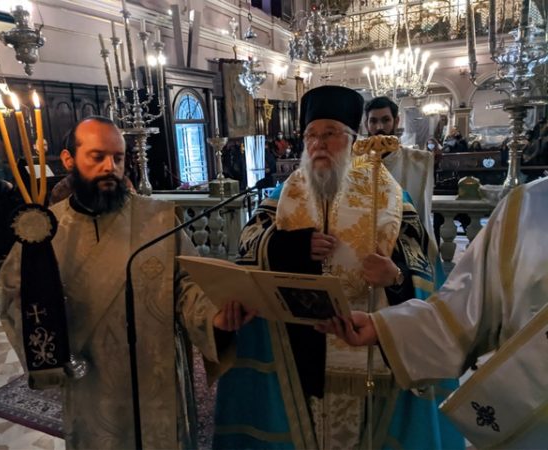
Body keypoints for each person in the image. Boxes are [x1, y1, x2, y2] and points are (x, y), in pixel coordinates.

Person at [211, 86, 463, 449]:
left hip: (366, 344)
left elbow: (420, 258)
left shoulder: (388, 195)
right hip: (298, 346)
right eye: (311, 135)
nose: (318, 143)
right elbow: (250, 242)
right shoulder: (285, 193)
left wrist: (395, 277)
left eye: (330, 133)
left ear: (352, 139)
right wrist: (293, 247)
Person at [0, 116, 247, 449]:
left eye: (118, 158)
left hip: (155, 373)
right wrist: (49, 343)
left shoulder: (158, 219)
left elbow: (186, 285)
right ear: (69, 159)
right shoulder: (45, 232)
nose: (110, 167)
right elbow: (16, 297)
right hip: (90, 380)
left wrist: (213, 316)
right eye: (97, 156)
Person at [319, 177, 548, 449]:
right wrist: (382, 326)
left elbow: (417, 263)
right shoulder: (527, 208)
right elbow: (461, 314)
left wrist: (398, 277)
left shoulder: (393, 197)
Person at [365, 96, 435, 237]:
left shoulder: (418, 161)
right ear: (366, 124)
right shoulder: (356, 162)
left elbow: (423, 211)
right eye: (373, 121)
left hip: (406, 239)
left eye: (386, 120)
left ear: (396, 122)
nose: (379, 127)